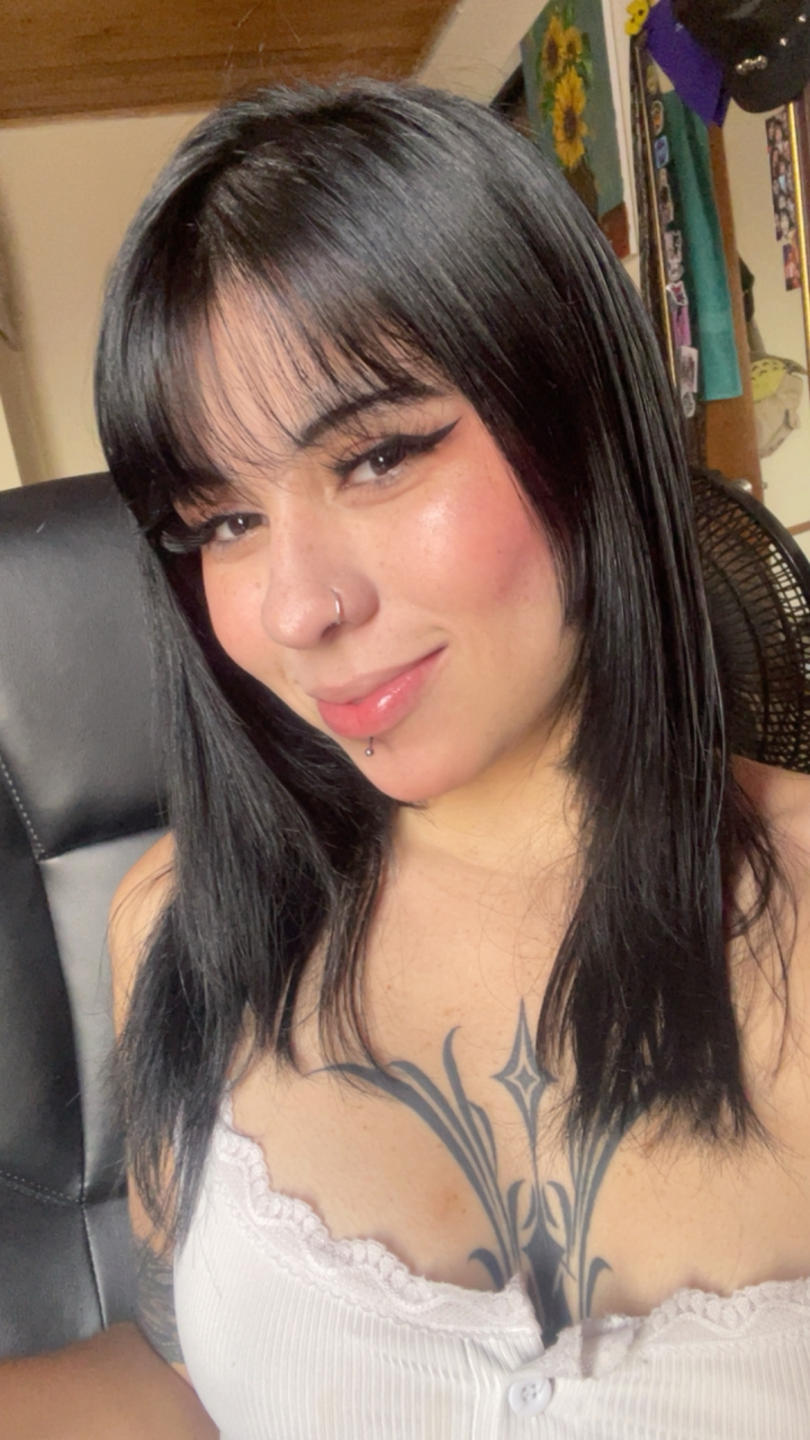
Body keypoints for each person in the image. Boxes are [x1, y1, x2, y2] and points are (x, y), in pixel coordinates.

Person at [6, 78, 810, 1437]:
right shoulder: (182, 926)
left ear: (584, 419)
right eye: (223, 523)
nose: (296, 610)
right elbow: (197, 1384)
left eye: (377, 458)